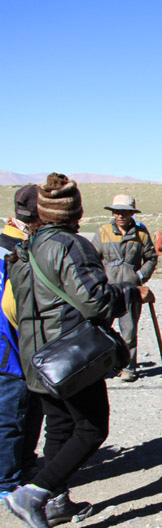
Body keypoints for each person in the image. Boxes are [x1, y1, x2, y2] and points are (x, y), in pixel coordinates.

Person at [4, 174, 153, 528]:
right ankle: (33, 495)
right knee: (92, 428)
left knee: (60, 427)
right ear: (77, 211)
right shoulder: (72, 245)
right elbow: (97, 300)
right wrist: (132, 293)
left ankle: (56, 500)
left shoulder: (28, 246)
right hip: (68, 355)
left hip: (35, 355)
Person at [0, 185, 43, 500]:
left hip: (19, 346)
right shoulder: (17, 251)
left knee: (31, 410)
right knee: (12, 415)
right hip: (11, 348)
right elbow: (12, 307)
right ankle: (5, 481)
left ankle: (24, 463)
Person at [92, 194, 157, 381]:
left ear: (131, 214)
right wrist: (98, 279)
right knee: (101, 328)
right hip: (106, 288)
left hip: (131, 289)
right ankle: (100, 365)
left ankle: (128, 367)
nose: (120, 215)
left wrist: (140, 276)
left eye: (125, 212)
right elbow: (93, 259)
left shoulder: (141, 234)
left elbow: (151, 258)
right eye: (117, 212)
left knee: (129, 330)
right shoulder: (103, 232)